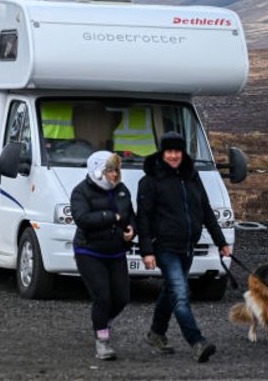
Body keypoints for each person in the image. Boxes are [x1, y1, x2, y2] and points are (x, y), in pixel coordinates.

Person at [137, 131, 232, 363]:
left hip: (187, 246)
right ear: (162, 152)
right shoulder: (150, 180)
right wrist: (147, 251)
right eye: (169, 151)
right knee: (180, 294)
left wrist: (221, 242)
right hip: (165, 247)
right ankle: (197, 342)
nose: (173, 156)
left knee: (171, 291)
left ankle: (156, 333)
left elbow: (206, 210)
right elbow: (143, 219)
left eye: (177, 151)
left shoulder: (191, 176)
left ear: (182, 152)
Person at [71, 151, 136, 361]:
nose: (115, 175)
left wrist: (131, 230)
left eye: (116, 170)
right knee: (103, 297)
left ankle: (101, 322)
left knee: (122, 298)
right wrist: (111, 216)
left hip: (116, 251)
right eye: (110, 170)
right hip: (89, 251)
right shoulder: (80, 192)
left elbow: (130, 216)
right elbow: (82, 219)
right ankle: (102, 341)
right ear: (97, 171)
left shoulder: (122, 191)